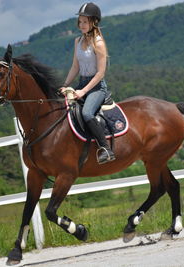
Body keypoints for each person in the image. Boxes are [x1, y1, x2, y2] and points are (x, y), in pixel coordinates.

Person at [60, 2, 115, 164]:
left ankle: (105, 148)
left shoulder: (98, 43)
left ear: (94, 22)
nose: (82, 25)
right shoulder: (77, 41)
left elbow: (100, 73)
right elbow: (75, 67)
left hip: (96, 87)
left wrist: (83, 91)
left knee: (87, 113)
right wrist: (64, 84)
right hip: (81, 83)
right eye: (80, 22)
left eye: (85, 21)